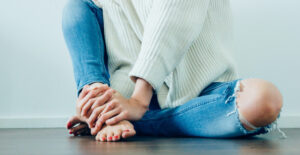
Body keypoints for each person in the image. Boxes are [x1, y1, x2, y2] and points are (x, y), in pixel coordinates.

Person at [62, 0, 284, 142]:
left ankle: (142, 123)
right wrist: (104, 101)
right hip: (129, 93)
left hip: (202, 93)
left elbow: (172, 20)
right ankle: (100, 108)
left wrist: (138, 102)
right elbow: (122, 52)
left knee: (265, 100)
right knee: (77, 8)